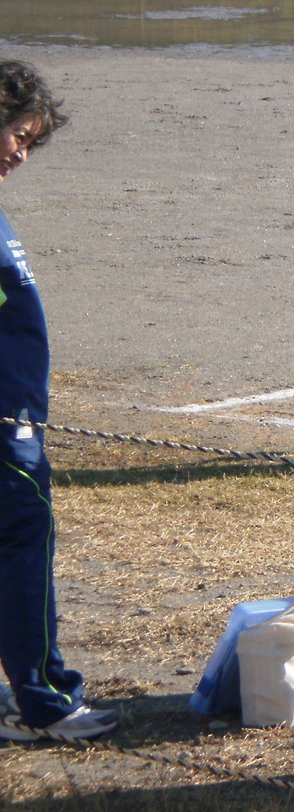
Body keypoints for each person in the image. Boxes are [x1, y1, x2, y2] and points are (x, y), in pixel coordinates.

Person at [0, 61, 117, 742]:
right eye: (18, 133)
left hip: (16, 416)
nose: (21, 152)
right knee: (21, 548)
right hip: (5, 432)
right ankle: (45, 704)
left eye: (30, 142)